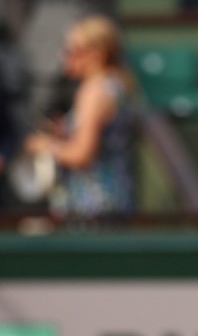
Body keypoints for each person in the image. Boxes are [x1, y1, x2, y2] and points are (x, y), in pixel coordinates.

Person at [23, 14, 136, 221]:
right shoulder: (112, 84)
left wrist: (44, 145)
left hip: (93, 208)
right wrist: (63, 130)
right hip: (114, 201)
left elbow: (82, 154)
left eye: (71, 51)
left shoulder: (94, 92)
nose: (63, 57)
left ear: (96, 55)